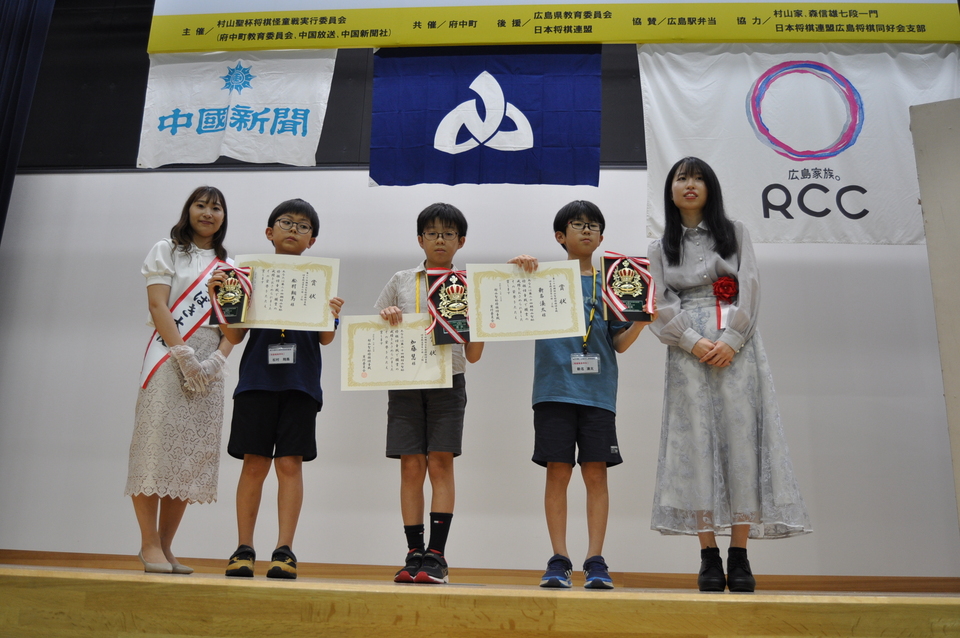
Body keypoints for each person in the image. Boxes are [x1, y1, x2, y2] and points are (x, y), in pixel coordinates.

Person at [647, 156, 812, 593]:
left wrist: (731, 339)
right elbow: (659, 303)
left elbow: (750, 287)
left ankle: (739, 554)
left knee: (742, 441)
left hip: (736, 350)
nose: (690, 185)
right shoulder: (659, 247)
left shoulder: (735, 233)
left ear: (710, 188)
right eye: (682, 178)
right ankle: (708, 555)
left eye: (698, 178)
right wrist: (692, 341)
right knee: (695, 442)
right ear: (671, 190)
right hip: (688, 353)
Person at [509, 200, 653, 589]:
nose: (587, 230)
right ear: (560, 236)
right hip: (553, 390)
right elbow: (503, 299)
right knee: (558, 472)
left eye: (594, 226)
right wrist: (516, 269)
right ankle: (559, 559)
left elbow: (619, 344)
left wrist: (642, 321)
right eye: (578, 224)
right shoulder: (539, 277)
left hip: (598, 394)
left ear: (602, 237)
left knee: (595, 473)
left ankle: (595, 560)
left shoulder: (615, 283)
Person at [213, 198, 344, 580]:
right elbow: (234, 336)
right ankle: (243, 549)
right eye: (286, 223)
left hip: (301, 384)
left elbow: (325, 339)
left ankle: (284, 550)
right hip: (256, 380)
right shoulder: (247, 274)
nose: (294, 230)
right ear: (269, 232)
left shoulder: (321, 279)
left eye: (303, 226)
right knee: (254, 463)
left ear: (312, 240)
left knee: (290, 464)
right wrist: (221, 299)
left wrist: (332, 312)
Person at [125, 186, 233, 574]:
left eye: (215, 207)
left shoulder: (229, 265)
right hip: (168, 355)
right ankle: (148, 543)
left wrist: (217, 358)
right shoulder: (166, 250)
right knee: (154, 449)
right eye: (200, 205)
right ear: (188, 210)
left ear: (223, 217)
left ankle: (167, 546)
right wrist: (183, 354)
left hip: (209, 366)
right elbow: (158, 305)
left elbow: (235, 324)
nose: (207, 212)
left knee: (187, 457)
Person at [375, 203, 484, 584]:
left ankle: (436, 556)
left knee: (440, 462)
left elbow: (474, 354)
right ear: (420, 239)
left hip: (449, 380)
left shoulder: (469, 285)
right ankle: (413, 553)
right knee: (410, 466)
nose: (440, 239)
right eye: (433, 233)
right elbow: (375, 329)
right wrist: (387, 317)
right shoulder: (401, 279)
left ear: (461, 241)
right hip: (406, 381)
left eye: (448, 234)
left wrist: (477, 322)